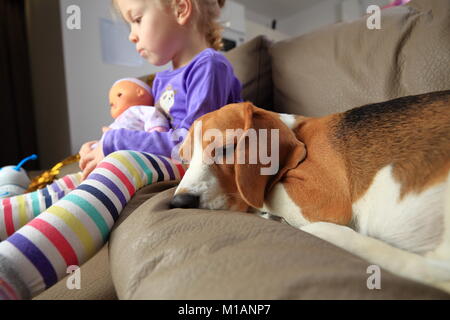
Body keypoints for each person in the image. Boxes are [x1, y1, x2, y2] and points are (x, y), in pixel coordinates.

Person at [0, 0, 242, 300]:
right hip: (163, 161)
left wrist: (116, 143)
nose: (132, 34)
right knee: (86, 174)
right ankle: (8, 209)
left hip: (196, 168)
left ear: (181, 9)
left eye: (137, 19)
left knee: (123, 161)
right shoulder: (163, 79)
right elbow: (155, 131)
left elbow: (193, 146)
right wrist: (103, 144)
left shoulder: (210, 65)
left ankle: (10, 275)